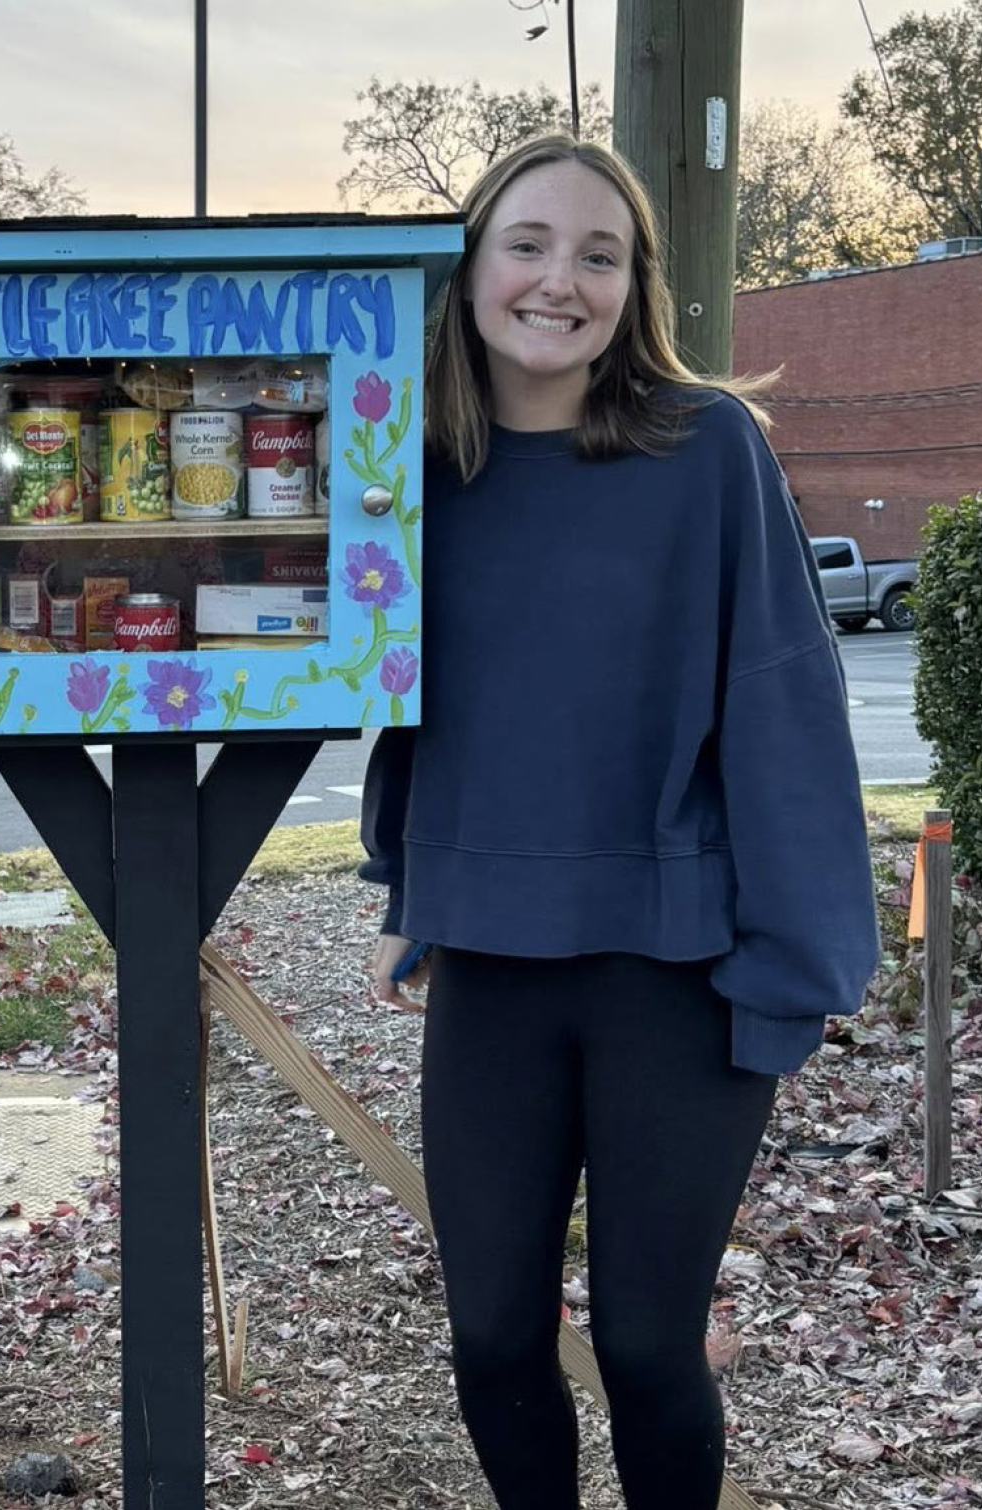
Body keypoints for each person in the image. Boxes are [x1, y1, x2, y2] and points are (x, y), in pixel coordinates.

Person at [360, 136, 878, 1510]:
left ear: (636, 283)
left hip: (676, 967)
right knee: (489, 1338)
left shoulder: (704, 450)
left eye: (601, 254)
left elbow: (784, 710)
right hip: (495, 960)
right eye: (528, 243)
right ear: (470, 266)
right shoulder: (412, 465)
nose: (559, 280)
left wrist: (798, 964)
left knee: (648, 1342)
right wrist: (412, 884)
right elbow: (410, 696)